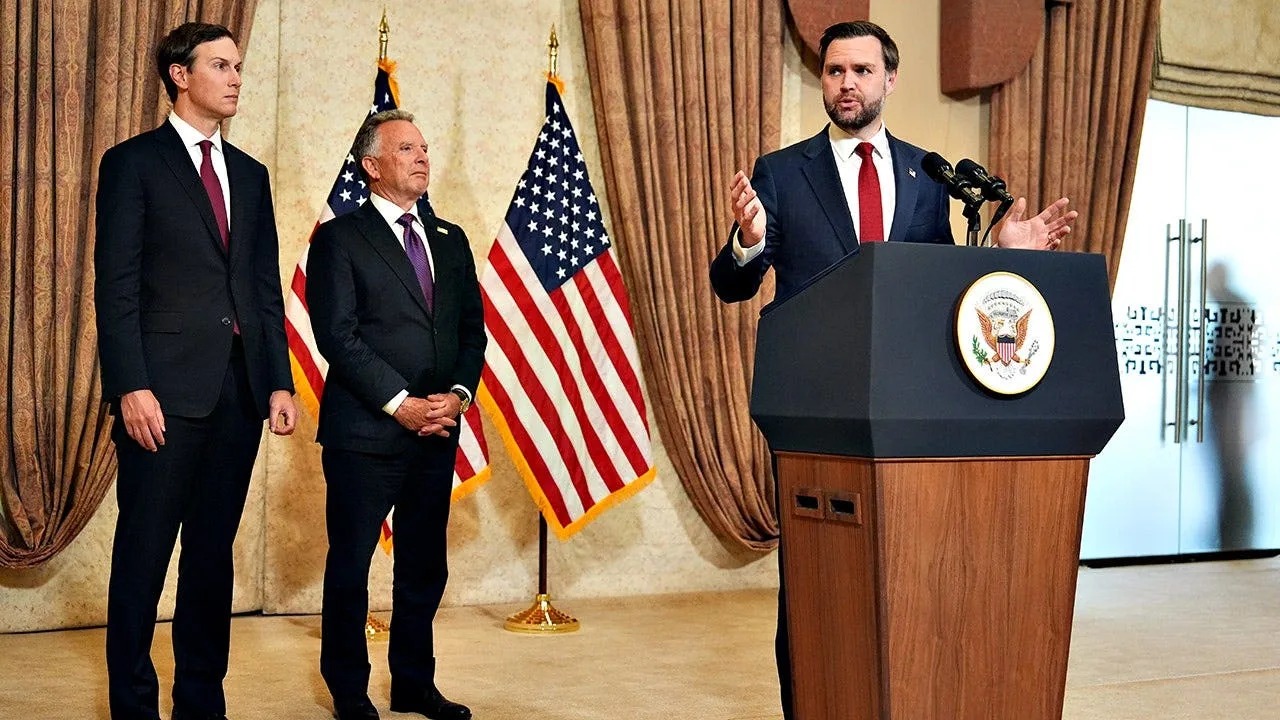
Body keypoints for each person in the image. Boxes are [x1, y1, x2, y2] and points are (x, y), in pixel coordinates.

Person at [708, 21, 1077, 720]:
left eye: (861, 70)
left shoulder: (927, 174)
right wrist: (749, 242)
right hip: (815, 408)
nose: (846, 83)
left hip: (905, 408)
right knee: (815, 580)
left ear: (890, 80)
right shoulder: (781, 172)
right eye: (834, 71)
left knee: (908, 573)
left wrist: (1001, 253)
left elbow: (938, 290)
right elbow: (730, 285)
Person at [94, 22, 297, 720]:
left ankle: (202, 704)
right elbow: (116, 286)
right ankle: (133, 708)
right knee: (143, 557)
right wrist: (130, 385)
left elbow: (263, 289)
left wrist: (277, 380)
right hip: (161, 394)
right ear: (180, 76)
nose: (236, 77)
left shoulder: (251, 174)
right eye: (221, 65)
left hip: (238, 394)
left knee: (211, 558)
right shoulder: (133, 163)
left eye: (238, 66)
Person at [306, 109, 485, 720]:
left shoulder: (451, 238)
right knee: (350, 566)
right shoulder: (340, 238)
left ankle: (413, 684)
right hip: (364, 433)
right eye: (406, 148)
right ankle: (349, 691)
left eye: (424, 148)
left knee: (423, 568)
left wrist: (457, 396)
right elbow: (337, 335)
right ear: (372, 165)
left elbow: (471, 333)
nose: (422, 156)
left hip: (437, 429)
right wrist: (399, 404)